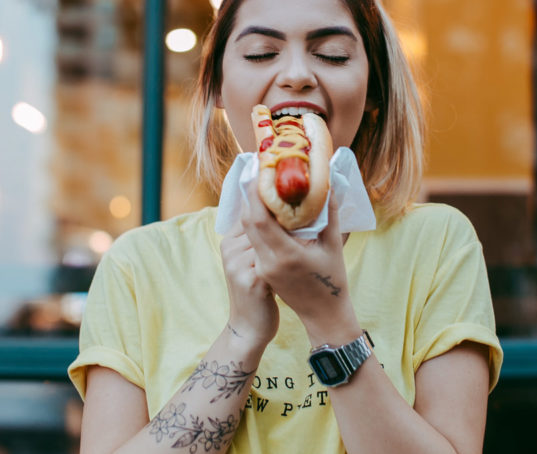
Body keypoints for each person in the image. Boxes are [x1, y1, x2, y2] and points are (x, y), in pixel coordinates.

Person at [68, 0, 503, 453]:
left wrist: (328, 317)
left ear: (374, 87)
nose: (297, 75)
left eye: (332, 54)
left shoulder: (436, 244)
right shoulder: (140, 264)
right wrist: (242, 333)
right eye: (260, 53)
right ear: (217, 84)